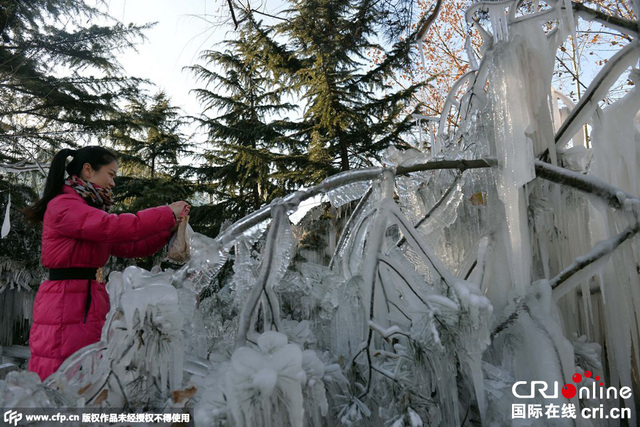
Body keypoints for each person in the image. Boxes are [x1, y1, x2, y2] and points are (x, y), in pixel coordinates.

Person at [22, 146, 190, 380]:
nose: (113, 183)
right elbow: (114, 226)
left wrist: (167, 231)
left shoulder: (85, 209)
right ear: (88, 170)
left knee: (86, 372)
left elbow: (130, 246)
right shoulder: (65, 206)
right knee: (62, 371)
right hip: (66, 302)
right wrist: (167, 213)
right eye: (111, 174)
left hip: (85, 299)